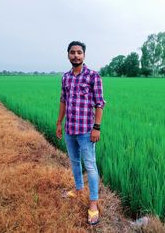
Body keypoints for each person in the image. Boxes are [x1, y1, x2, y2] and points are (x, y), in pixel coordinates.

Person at [56, 41, 105, 225]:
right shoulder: (65, 77)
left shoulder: (93, 76)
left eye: (79, 52)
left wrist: (96, 127)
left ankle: (93, 203)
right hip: (70, 130)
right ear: (68, 55)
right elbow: (63, 100)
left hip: (86, 131)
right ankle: (78, 189)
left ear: (84, 55)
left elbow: (99, 104)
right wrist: (59, 123)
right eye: (72, 52)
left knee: (90, 166)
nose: (76, 55)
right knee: (74, 162)